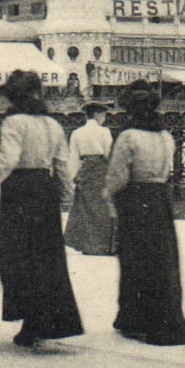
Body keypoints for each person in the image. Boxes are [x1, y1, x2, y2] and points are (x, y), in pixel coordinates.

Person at [0, 70, 83, 348]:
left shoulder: (13, 122)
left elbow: (8, 159)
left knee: (15, 255)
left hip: (19, 190)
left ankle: (28, 317)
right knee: (46, 258)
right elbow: (62, 165)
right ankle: (44, 320)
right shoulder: (53, 124)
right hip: (45, 191)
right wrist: (66, 194)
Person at [103, 81, 185, 344]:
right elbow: (167, 170)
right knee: (162, 259)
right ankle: (164, 316)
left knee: (135, 260)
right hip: (159, 199)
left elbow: (118, 176)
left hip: (135, 199)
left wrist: (109, 196)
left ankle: (135, 318)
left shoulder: (128, 137)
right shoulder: (166, 137)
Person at [64, 100, 116, 255]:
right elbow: (108, 153)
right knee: (103, 207)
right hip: (100, 168)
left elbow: (72, 158)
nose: (104, 118)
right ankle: (103, 245)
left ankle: (88, 245)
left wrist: (73, 179)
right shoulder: (104, 132)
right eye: (103, 114)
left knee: (86, 208)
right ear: (97, 114)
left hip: (85, 168)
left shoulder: (77, 133)